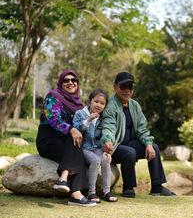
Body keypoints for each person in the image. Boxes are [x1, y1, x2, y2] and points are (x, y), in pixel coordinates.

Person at [101, 71, 176, 197]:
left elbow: (142, 128)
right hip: (114, 147)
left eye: (130, 87)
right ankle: (128, 187)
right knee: (130, 152)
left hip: (130, 144)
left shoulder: (135, 105)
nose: (127, 90)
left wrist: (148, 143)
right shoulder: (111, 106)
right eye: (123, 86)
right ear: (115, 87)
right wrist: (107, 140)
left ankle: (157, 187)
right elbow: (108, 125)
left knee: (155, 148)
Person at [36, 70, 96, 207]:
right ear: (60, 83)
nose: (70, 82)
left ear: (77, 83)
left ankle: (64, 178)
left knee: (76, 145)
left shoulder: (78, 104)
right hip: (48, 140)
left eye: (73, 80)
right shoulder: (51, 97)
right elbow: (52, 119)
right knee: (75, 147)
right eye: (66, 80)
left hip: (67, 141)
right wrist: (71, 129)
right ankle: (76, 194)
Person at [73, 89, 118, 203]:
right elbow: (76, 130)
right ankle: (91, 192)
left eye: (102, 103)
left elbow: (103, 136)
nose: (98, 105)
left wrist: (106, 151)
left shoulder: (102, 118)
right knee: (95, 160)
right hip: (83, 148)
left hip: (96, 147)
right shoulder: (80, 113)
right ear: (89, 102)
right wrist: (88, 121)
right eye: (96, 101)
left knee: (105, 159)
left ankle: (106, 192)